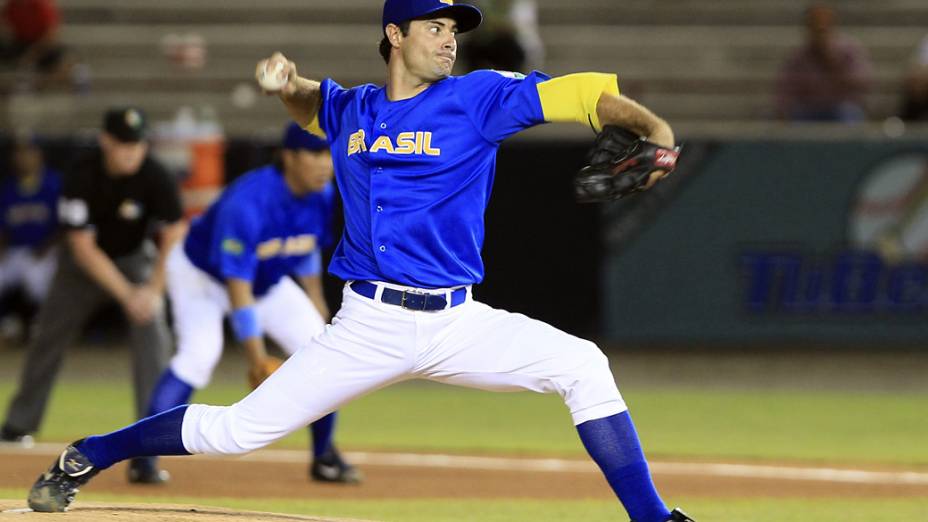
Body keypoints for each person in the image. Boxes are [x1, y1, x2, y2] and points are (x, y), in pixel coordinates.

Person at [27, 2, 694, 521]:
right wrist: (287, 83)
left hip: (458, 322)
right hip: (368, 324)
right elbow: (314, 104)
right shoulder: (355, 109)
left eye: (453, 29)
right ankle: (90, 454)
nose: (449, 38)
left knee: (583, 364)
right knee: (236, 431)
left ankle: (651, 516)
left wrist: (655, 131)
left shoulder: (479, 98)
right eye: (434, 26)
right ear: (395, 36)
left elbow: (580, 95)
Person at [147, 122, 360, 483]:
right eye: (315, 153)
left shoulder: (322, 193)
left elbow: (305, 248)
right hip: (203, 274)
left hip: (267, 279)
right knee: (200, 355)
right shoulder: (248, 202)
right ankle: (145, 458)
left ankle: (324, 456)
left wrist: (315, 298)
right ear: (288, 157)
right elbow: (237, 286)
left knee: (325, 352)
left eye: (328, 153)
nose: (325, 163)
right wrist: (256, 356)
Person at [4, 107, 184, 484]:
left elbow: (173, 234)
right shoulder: (82, 172)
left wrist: (151, 290)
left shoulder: (155, 174)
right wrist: (127, 295)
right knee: (48, 336)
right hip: (81, 266)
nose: (131, 151)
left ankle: (146, 451)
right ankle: (18, 426)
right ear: (106, 141)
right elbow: (82, 246)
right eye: (123, 144)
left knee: (155, 339)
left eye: (137, 144)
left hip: (136, 259)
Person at [0, 134, 60, 344]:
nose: (23, 157)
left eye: (28, 152)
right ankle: (7, 323)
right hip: (16, 250)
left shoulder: (54, 184)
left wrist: (47, 246)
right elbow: (3, 228)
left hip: (47, 250)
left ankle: (43, 324)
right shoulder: (8, 188)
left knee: (37, 278)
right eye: (19, 153)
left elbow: (67, 226)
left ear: (39, 155)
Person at [775, 4, 872, 122]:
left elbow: (863, 82)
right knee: (796, 117)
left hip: (841, 106)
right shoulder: (799, 56)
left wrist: (832, 61)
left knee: (849, 114)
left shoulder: (849, 49)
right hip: (809, 109)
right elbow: (785, 89)